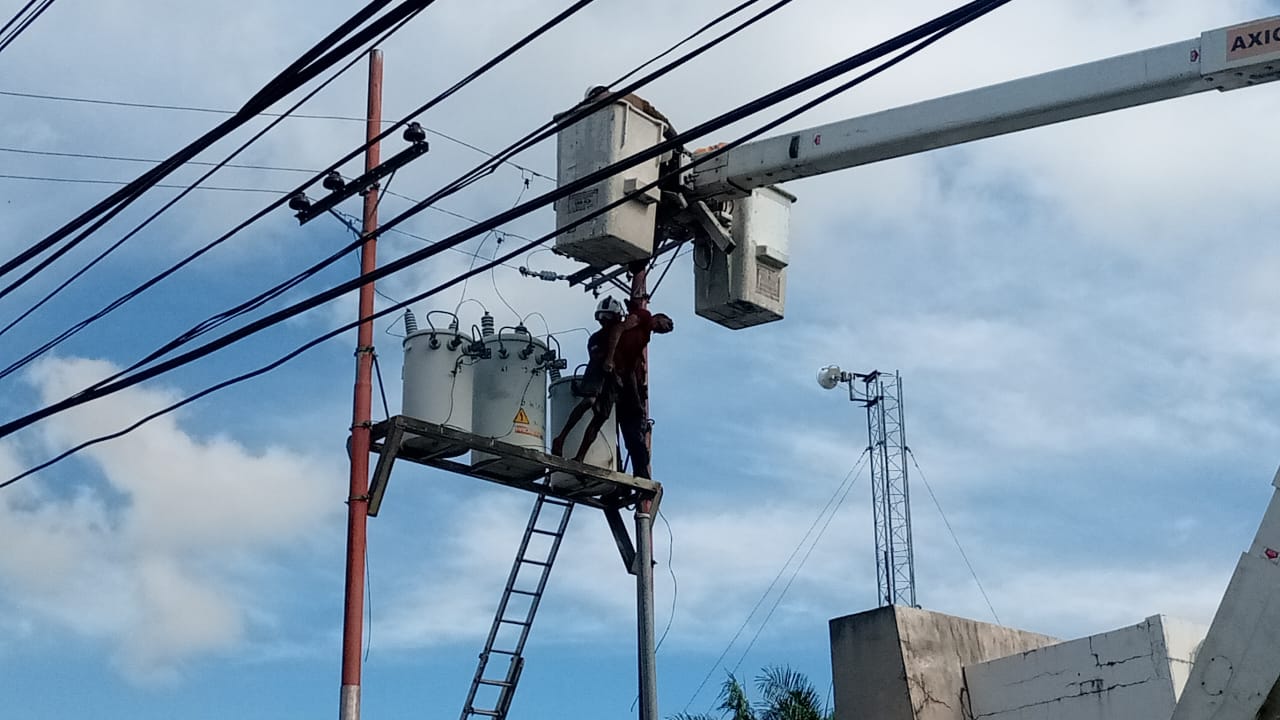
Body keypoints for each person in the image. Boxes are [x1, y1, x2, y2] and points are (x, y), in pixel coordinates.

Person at [550, 296, 625, 462]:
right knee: (588, 401)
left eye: (608, 317)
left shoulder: (623, 337)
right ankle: (561, 438)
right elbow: (598, 359)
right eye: (601, 317)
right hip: (597, 371)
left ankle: (580, 456)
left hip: (614, 381)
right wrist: (608, 359)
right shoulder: (596, 339)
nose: (604, 322)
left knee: (599, 420)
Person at [607, 297, 674, 479]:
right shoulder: (644, 317)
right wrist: (610, 359)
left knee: (631, 431)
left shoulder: (645, 334)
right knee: (628, 424)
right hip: (623, 375)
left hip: (628, 376)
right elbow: (621, 328)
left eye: (666, 330)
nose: (664, 329)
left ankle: (635, 472)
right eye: (666, 325)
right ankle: (634, 471)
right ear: (659, 317)